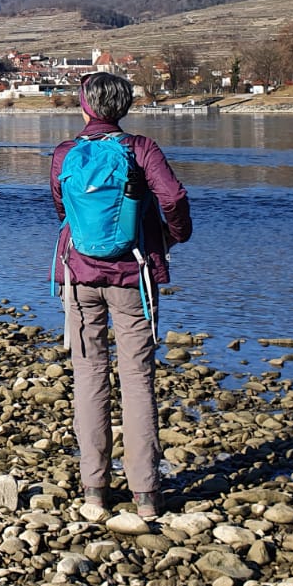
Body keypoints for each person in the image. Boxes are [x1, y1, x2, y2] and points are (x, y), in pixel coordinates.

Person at [50, 71, 192, 517]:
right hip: (135, 275)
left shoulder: (65, 153)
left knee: (88, 376)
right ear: (124, 107)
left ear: (85, 106)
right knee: (136, 379)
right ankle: (146, 495)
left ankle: (94, 489)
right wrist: (173, 237)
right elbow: (173, 198)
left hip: (78, 274)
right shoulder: (141, 149)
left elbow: (61, 208)